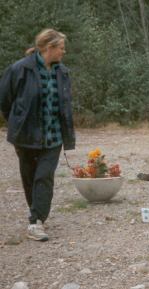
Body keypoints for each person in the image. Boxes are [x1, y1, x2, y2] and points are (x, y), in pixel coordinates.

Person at [0, 28, 75, 241]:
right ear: (49, 48)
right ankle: (36, 213)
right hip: (26, 137)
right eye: (61, 48)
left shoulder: (63, 72)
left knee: (44, 177)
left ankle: (36, 221)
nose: (64, 52)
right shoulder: (19, 69)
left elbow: (66, 105)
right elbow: (5, 101)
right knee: (29, 178)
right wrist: (17, 121)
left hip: (53, 138)